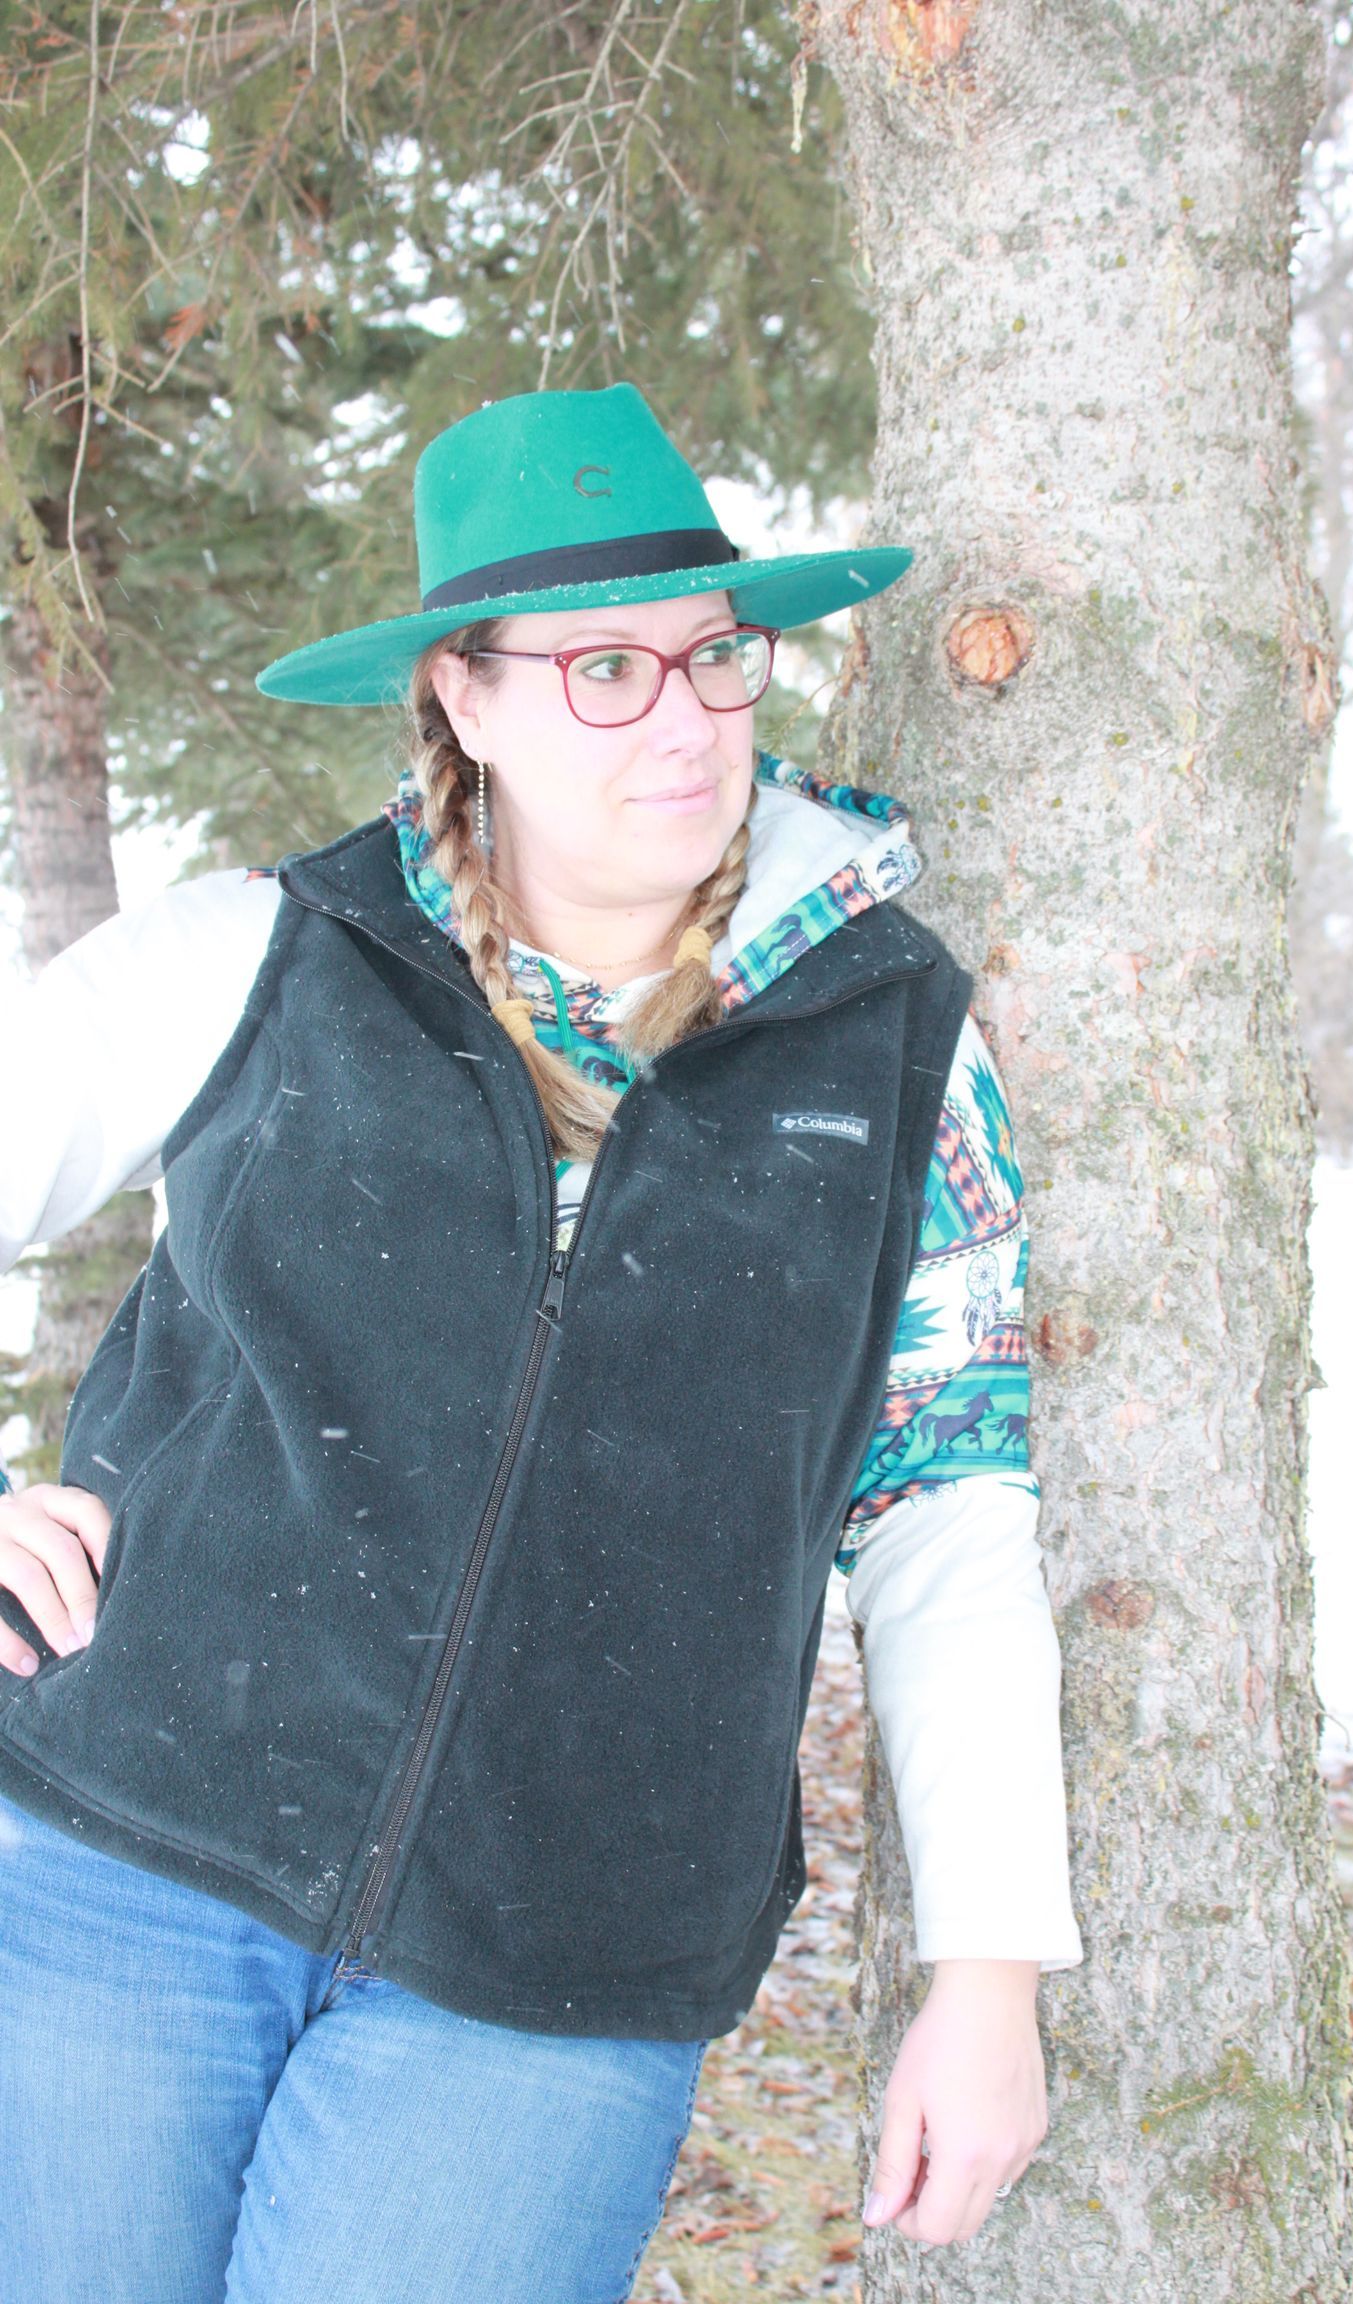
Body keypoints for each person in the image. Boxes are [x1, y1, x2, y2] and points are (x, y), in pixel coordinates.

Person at [0, 384, 1081, 2303]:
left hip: (567, 1953)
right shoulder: (257, 956)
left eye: (710, 653)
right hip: (124, 1872)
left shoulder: (895, 1043)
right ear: (463, 700)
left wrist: (987, 1978)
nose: (682, 716)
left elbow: (948, 1514)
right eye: (599, 668)